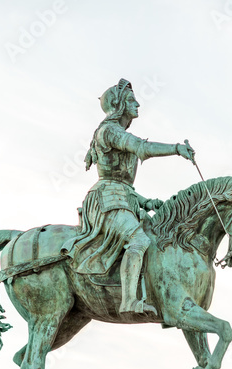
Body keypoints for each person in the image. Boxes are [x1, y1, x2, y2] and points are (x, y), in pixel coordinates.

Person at [63, 79, 195, 315]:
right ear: (119, 104)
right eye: (131, 100)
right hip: (106, 200)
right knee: (139, 240)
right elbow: (141, 149)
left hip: (121, 197)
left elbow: (123, 183)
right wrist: (176, 148)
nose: (137, 104)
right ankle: (128, 301)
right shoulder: (109, 131)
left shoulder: (114, 131)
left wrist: (144, 201)